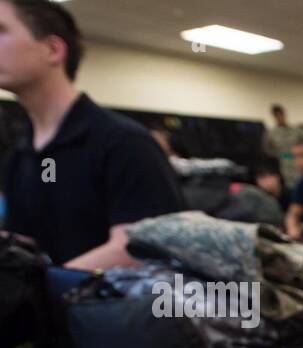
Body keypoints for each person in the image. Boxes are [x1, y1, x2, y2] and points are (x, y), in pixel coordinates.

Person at [0, 0, 182, 269]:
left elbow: (136, 248)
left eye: (1, 30)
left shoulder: (124, 142)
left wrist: (41, 291)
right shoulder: (20, 155)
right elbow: (25, 245)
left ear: (53, 50)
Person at [264, 103, 303, 189]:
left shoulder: (297, 131)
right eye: (277, 115)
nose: (280, 117)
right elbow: (268, 151)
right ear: (274, 116)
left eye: (281, 114)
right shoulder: (271, 134)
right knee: (292, 189)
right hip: (287, 169)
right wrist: (284, 155)